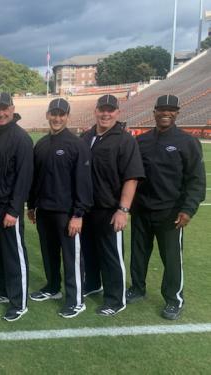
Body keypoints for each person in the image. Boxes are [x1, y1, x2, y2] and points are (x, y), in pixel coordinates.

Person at [127, 94, 206, 320]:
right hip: (141, 209)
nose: (165, 113)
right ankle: (137, 288)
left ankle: (174, 299)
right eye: (161, 109)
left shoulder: (187, 142)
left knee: (171, 259)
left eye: (171, 110)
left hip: (170, 212)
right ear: (154, 112)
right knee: (139, 253)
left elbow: (196, 180)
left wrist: (188, 209)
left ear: (177, 113)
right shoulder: (141, 142)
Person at [27, 98, 93, 318]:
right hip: (44, 210)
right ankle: (53, 287)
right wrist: (32, 205)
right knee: (49, 252)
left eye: (61, 114)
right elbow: (36, 179)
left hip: (67, 213)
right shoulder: (42, 144)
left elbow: (83, 183)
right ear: (47, 115)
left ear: (67, 117)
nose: (57, 118)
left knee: (71, 256)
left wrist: (78, 214)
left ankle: (76, 299)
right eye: (53, 114)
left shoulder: (77, 145)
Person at [81, 94, 145, 316]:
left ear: (117, 113)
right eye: (102, 109)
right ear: (96, 111)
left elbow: (132, 177)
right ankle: (92, 284)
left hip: (110, 209)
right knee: (89, 252)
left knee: (111, 255)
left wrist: (123, 209)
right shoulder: (86, 136)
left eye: (110, 110)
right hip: (87, 208)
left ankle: (115, 299)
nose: (105, 113)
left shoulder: (124, 139)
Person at [0, 92, 33, 322]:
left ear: (12, 108)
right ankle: (3, 291)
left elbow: (24, 177)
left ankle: (19, 302)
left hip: (10, 208)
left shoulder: (21, 138)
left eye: (4, 108)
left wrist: (13, 210)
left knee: (13, 254)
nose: (0, 113)